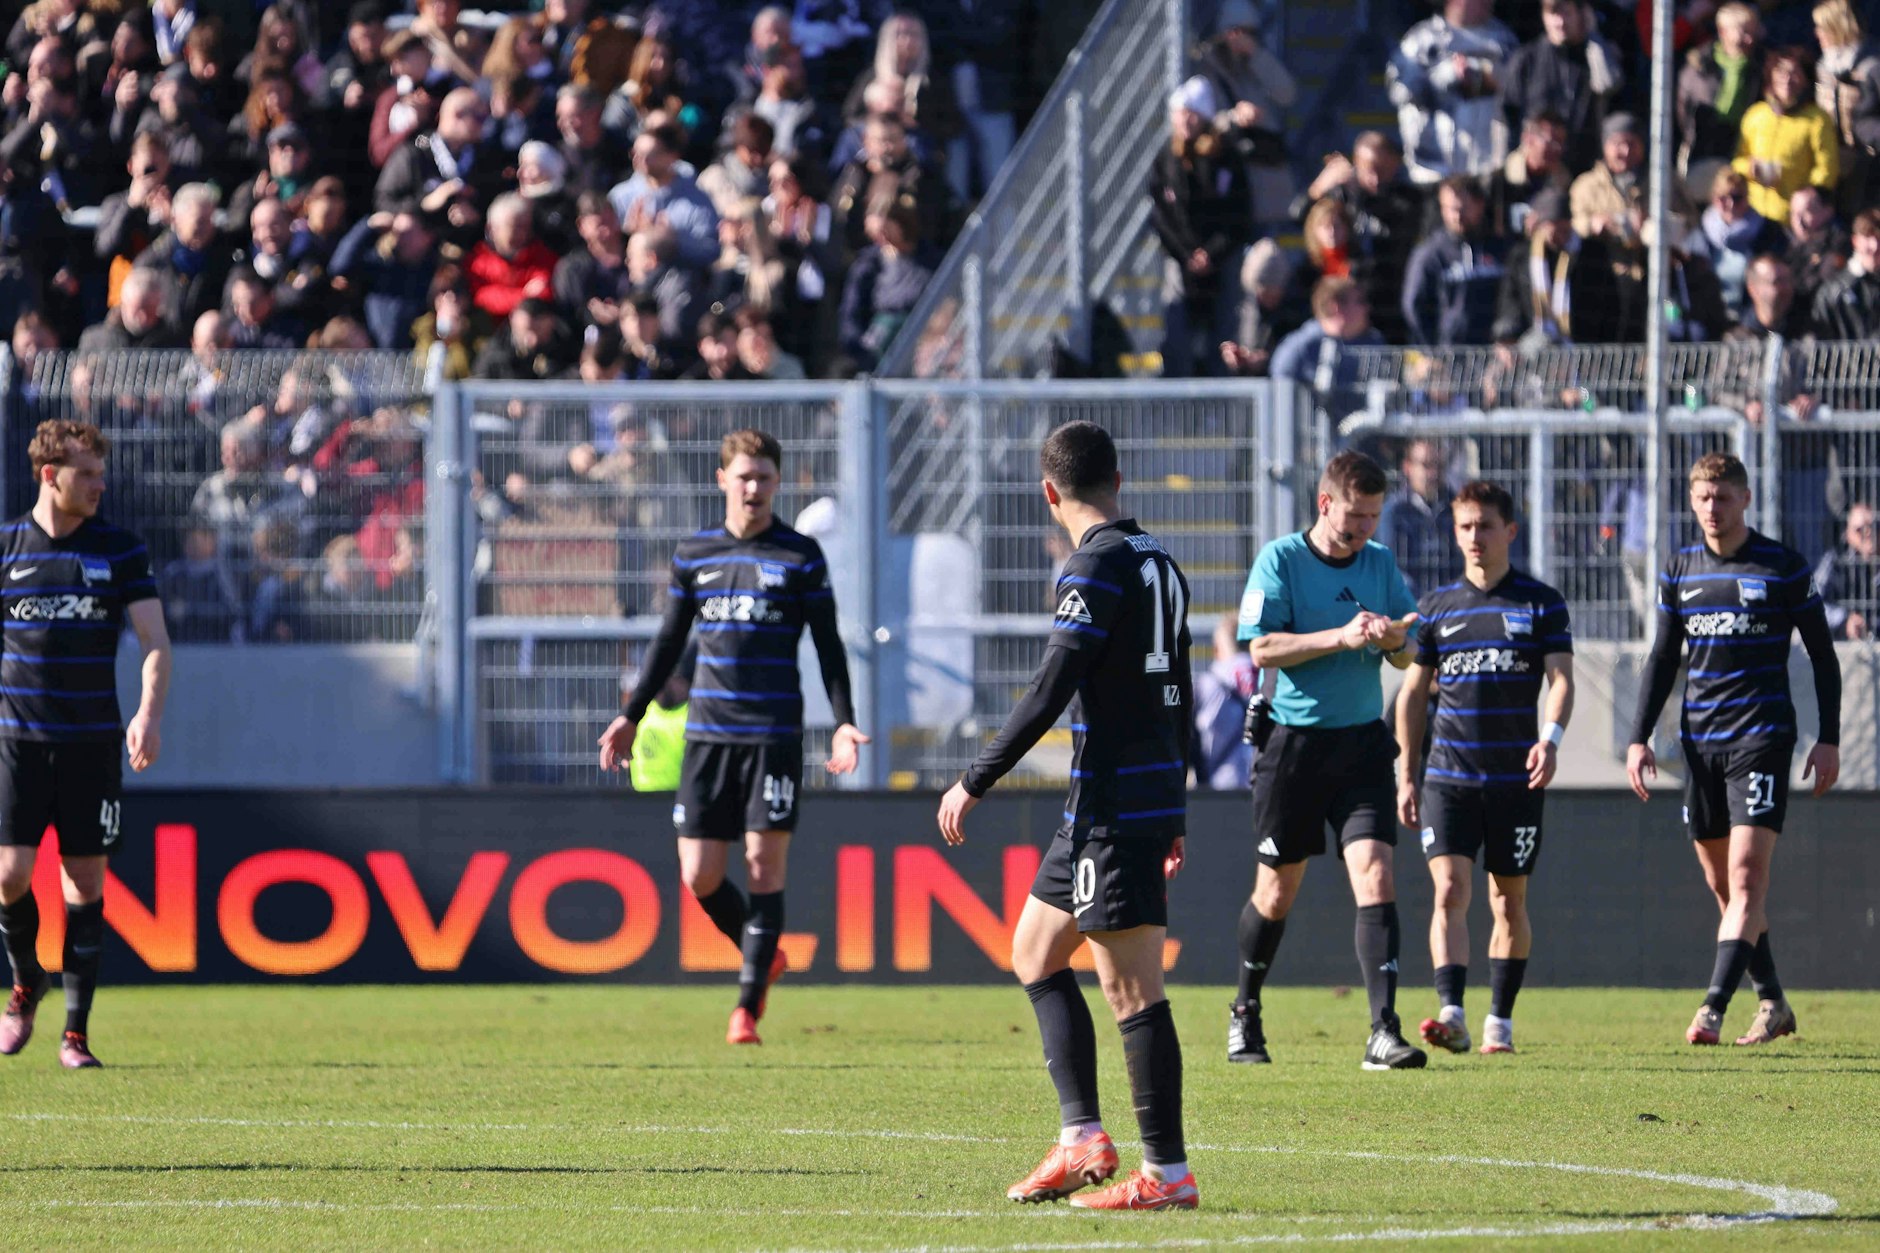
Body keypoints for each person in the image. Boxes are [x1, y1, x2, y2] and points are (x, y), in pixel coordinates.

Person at [936, 420, 1198, 1211]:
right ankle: (1081, 1135)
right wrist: (1177, 805)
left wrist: (975, 778)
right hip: (1110, 803)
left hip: (1116, 804)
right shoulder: (1158, 559)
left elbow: (1053, 683)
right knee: (1035, 951)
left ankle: (1167, 1174)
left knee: (1132, 987)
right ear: (1117, 478)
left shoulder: (1093, 564)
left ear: (1049, 492)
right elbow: (1178, 692)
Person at [598, 430, 869, 1047]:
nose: (754, 488)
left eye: (765, 478)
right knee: (699, 875)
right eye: (745, 477)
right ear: (722, 479)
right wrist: (632, 714)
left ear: (778, 483)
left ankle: (746, 1008)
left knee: (763, 864)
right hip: (708, 737)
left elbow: (828, 645)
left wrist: (843, 721)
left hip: (773, 735)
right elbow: (669, 641)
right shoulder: (696, 554)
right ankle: (761, 952)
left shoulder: (800, 555)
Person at [1625, 452, 1841, 1047]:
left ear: (1745, 499)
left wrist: (1828, 738)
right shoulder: (1679, 569)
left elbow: (1823, 655)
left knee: (1747, 879)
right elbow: (1662, 658)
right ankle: (1773, 1002)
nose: (1712, 508)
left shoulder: (1782, 567)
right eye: (1702, 497)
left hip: (1762, 738)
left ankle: (1712, 1008)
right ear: (1691, 501)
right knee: (1724, 888)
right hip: (1700, 744)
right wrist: (1638, 738)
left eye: (1723, 497)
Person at [1231, 450, 1425, 1070]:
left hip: (1361, 745)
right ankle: (1245, 1010)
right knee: (1276, 891)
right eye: (1355, 515)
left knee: (1377, 874)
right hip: (1293, 748)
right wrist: (1340, 637)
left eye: (1373, 517)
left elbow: (1407, 650)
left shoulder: (1380, 562)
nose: (1364, 528)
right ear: (1325, 503)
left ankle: (1383, 1030)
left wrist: (1393, 640)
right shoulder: (1281, 559)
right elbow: (1262, 649)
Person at [0, 421, 172, 1070]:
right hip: (16, 742)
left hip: (91, 744)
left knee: (84, 882)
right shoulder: (7, 549)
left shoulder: (119, 551)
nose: (101, 485)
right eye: (88, 474)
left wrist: (148, 715)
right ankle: (26, 979)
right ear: (50, 475)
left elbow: (155, 642)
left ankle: (76, 1033)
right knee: (9, 875)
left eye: (102, 473)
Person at [1394, 480, 1573, 1057]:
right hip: (1449, 776)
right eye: (1465, 526)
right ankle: (1452, 1012)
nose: (1475, 537)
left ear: (1510, 531)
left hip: (1515, 779)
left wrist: (1550, 739)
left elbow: (1561, 680)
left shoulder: (1541, 603)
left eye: (1486, 526)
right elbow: (1412, 694)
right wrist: (1407, 773)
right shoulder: (1436, 608)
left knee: (1507, 900)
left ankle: (1500, 1020)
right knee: (1449, 889)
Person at [1379, 438, 1461, 597]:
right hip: (1409, 602)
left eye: (1439, 465)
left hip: (1453, 602)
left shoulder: (1458, 508)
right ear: (1407, 467)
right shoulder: (1393, 511)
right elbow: (1391, 568)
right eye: (1426, 465)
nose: (1433, 473)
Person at [1813, 502, 1880, 639]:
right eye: (1860, 529)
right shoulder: (1835, 561)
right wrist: (1844, 620)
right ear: (1848, 534)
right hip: (1842, 641)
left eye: (1874, 526)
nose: (1869, 533)